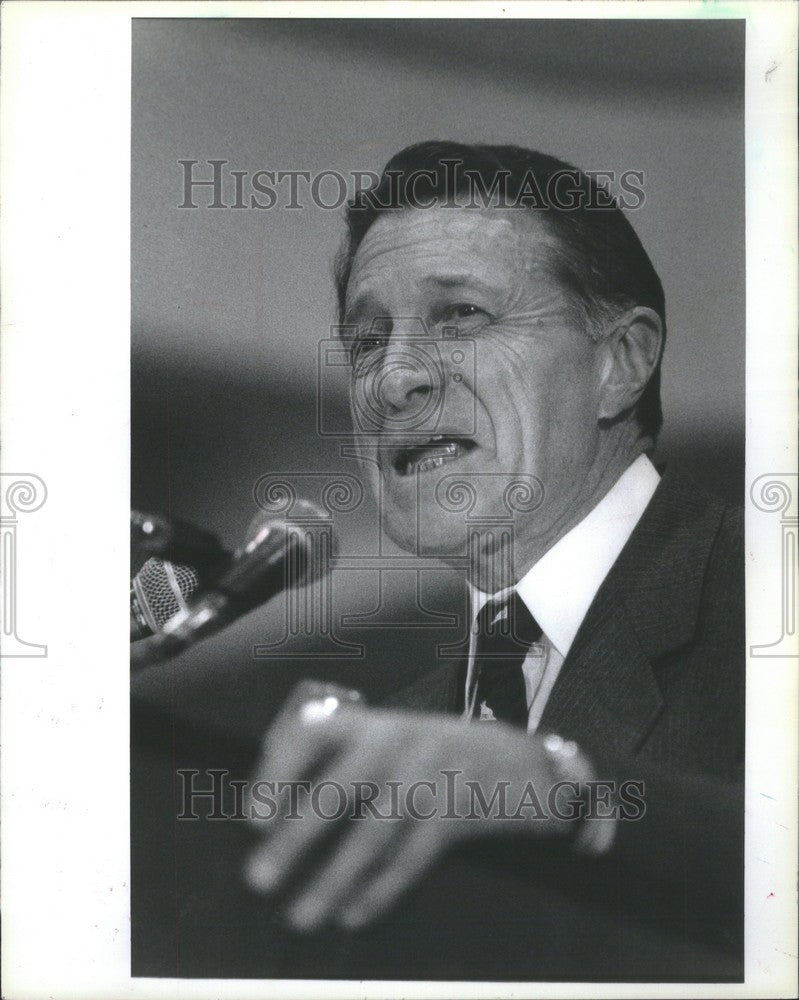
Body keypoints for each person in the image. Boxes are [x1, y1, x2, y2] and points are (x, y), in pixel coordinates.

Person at [227, 142, 745, 975]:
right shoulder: (408, 727)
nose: (391, 380)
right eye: (365, 340)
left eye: (460, 315)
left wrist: (565, 792)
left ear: (620, 363)